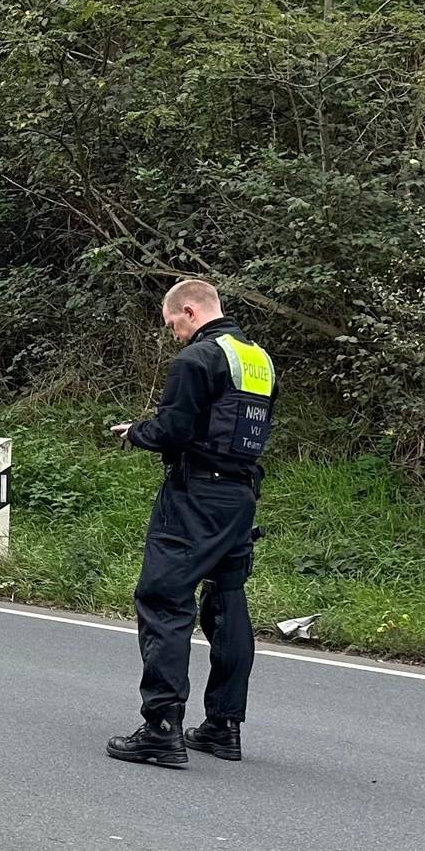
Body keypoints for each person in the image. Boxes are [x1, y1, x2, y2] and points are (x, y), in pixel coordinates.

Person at [105, 279, 276, 768]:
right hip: (240, 495)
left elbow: (173, 430)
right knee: (226, 603)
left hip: (194, 495)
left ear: (188, 310)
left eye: (173, 325)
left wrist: (135, 432)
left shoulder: (195, 360)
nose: (173, 334)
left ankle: (161, 729)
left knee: (162, 599)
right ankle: (224, 728)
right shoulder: (258, 359)